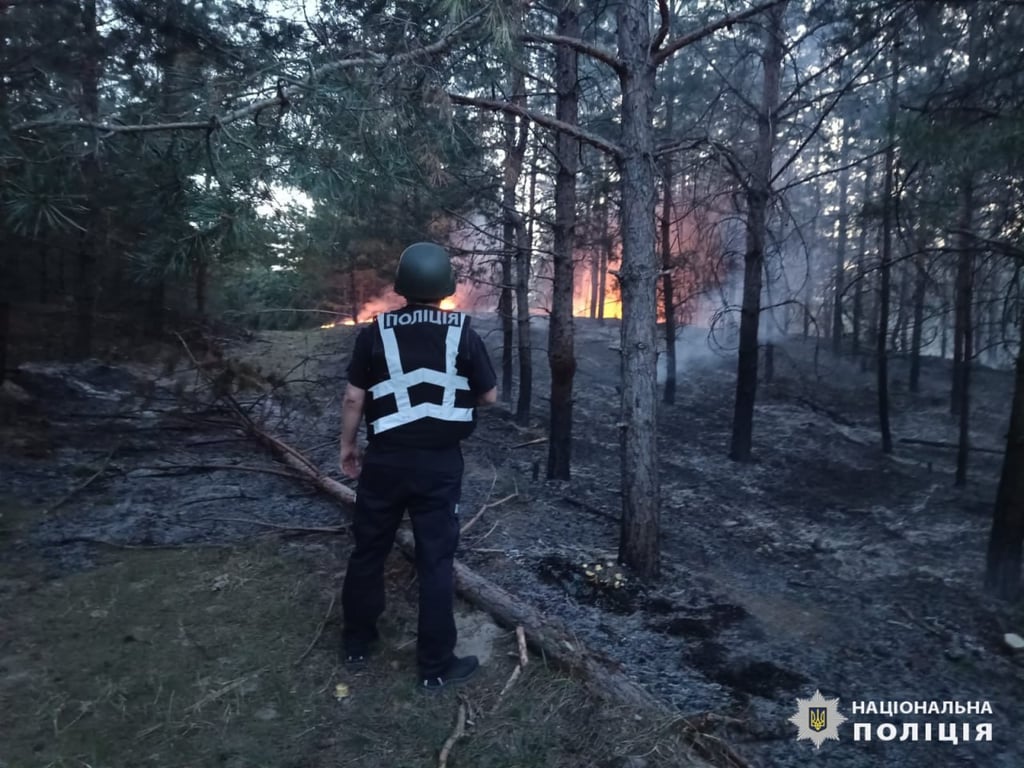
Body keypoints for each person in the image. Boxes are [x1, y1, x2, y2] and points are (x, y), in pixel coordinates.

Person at [339, 241, 498, 691]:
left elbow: (354, 397)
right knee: (435, 561)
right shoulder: (462, 332)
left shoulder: (375, 332)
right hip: (439, 466)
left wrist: (348, 447)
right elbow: (488, 396)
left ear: (402, 286)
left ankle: (356, 643)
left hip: (384, 461)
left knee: (368, 550)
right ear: (445, 288)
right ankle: (434, 667)